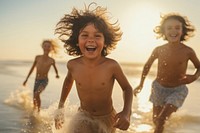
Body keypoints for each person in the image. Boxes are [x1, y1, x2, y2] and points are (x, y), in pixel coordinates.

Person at [54, 2, 133, 133]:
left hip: (107, 118)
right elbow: (68, 81)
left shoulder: (111, 66)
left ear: (105, 41)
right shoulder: (73, 65)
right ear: (77, 41)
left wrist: (126, 112)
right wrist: (60, 108)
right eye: (85, 35)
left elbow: (127, 88)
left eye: (97, 35)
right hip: (83, 116)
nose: (91, 40)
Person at [133, 13, 200, 133]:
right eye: (169, 28)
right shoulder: (159, 50)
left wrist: (194, 77)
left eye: (177, 28)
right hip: (158, 88)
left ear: (182, 31)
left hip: (178, 90)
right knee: (156, 120)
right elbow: (147, 66)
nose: (173, 31)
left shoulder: (187, 51)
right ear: (163, 31)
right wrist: (141, 84)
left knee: (161, 119)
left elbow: (199, 67)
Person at [23, 39, 60, 112]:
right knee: (34, 97)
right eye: (45, 46)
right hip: (37, 79)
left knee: (37, 94)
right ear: (42, 47)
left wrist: (57, 74)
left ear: (51, 48)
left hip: (44, 80)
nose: (46, 47)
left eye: (48, 46)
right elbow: (32, 68)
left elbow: (56, 69)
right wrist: (26, 79)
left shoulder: (51, 60)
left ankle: (38, 111)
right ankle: (34, 110)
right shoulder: (37, 57)